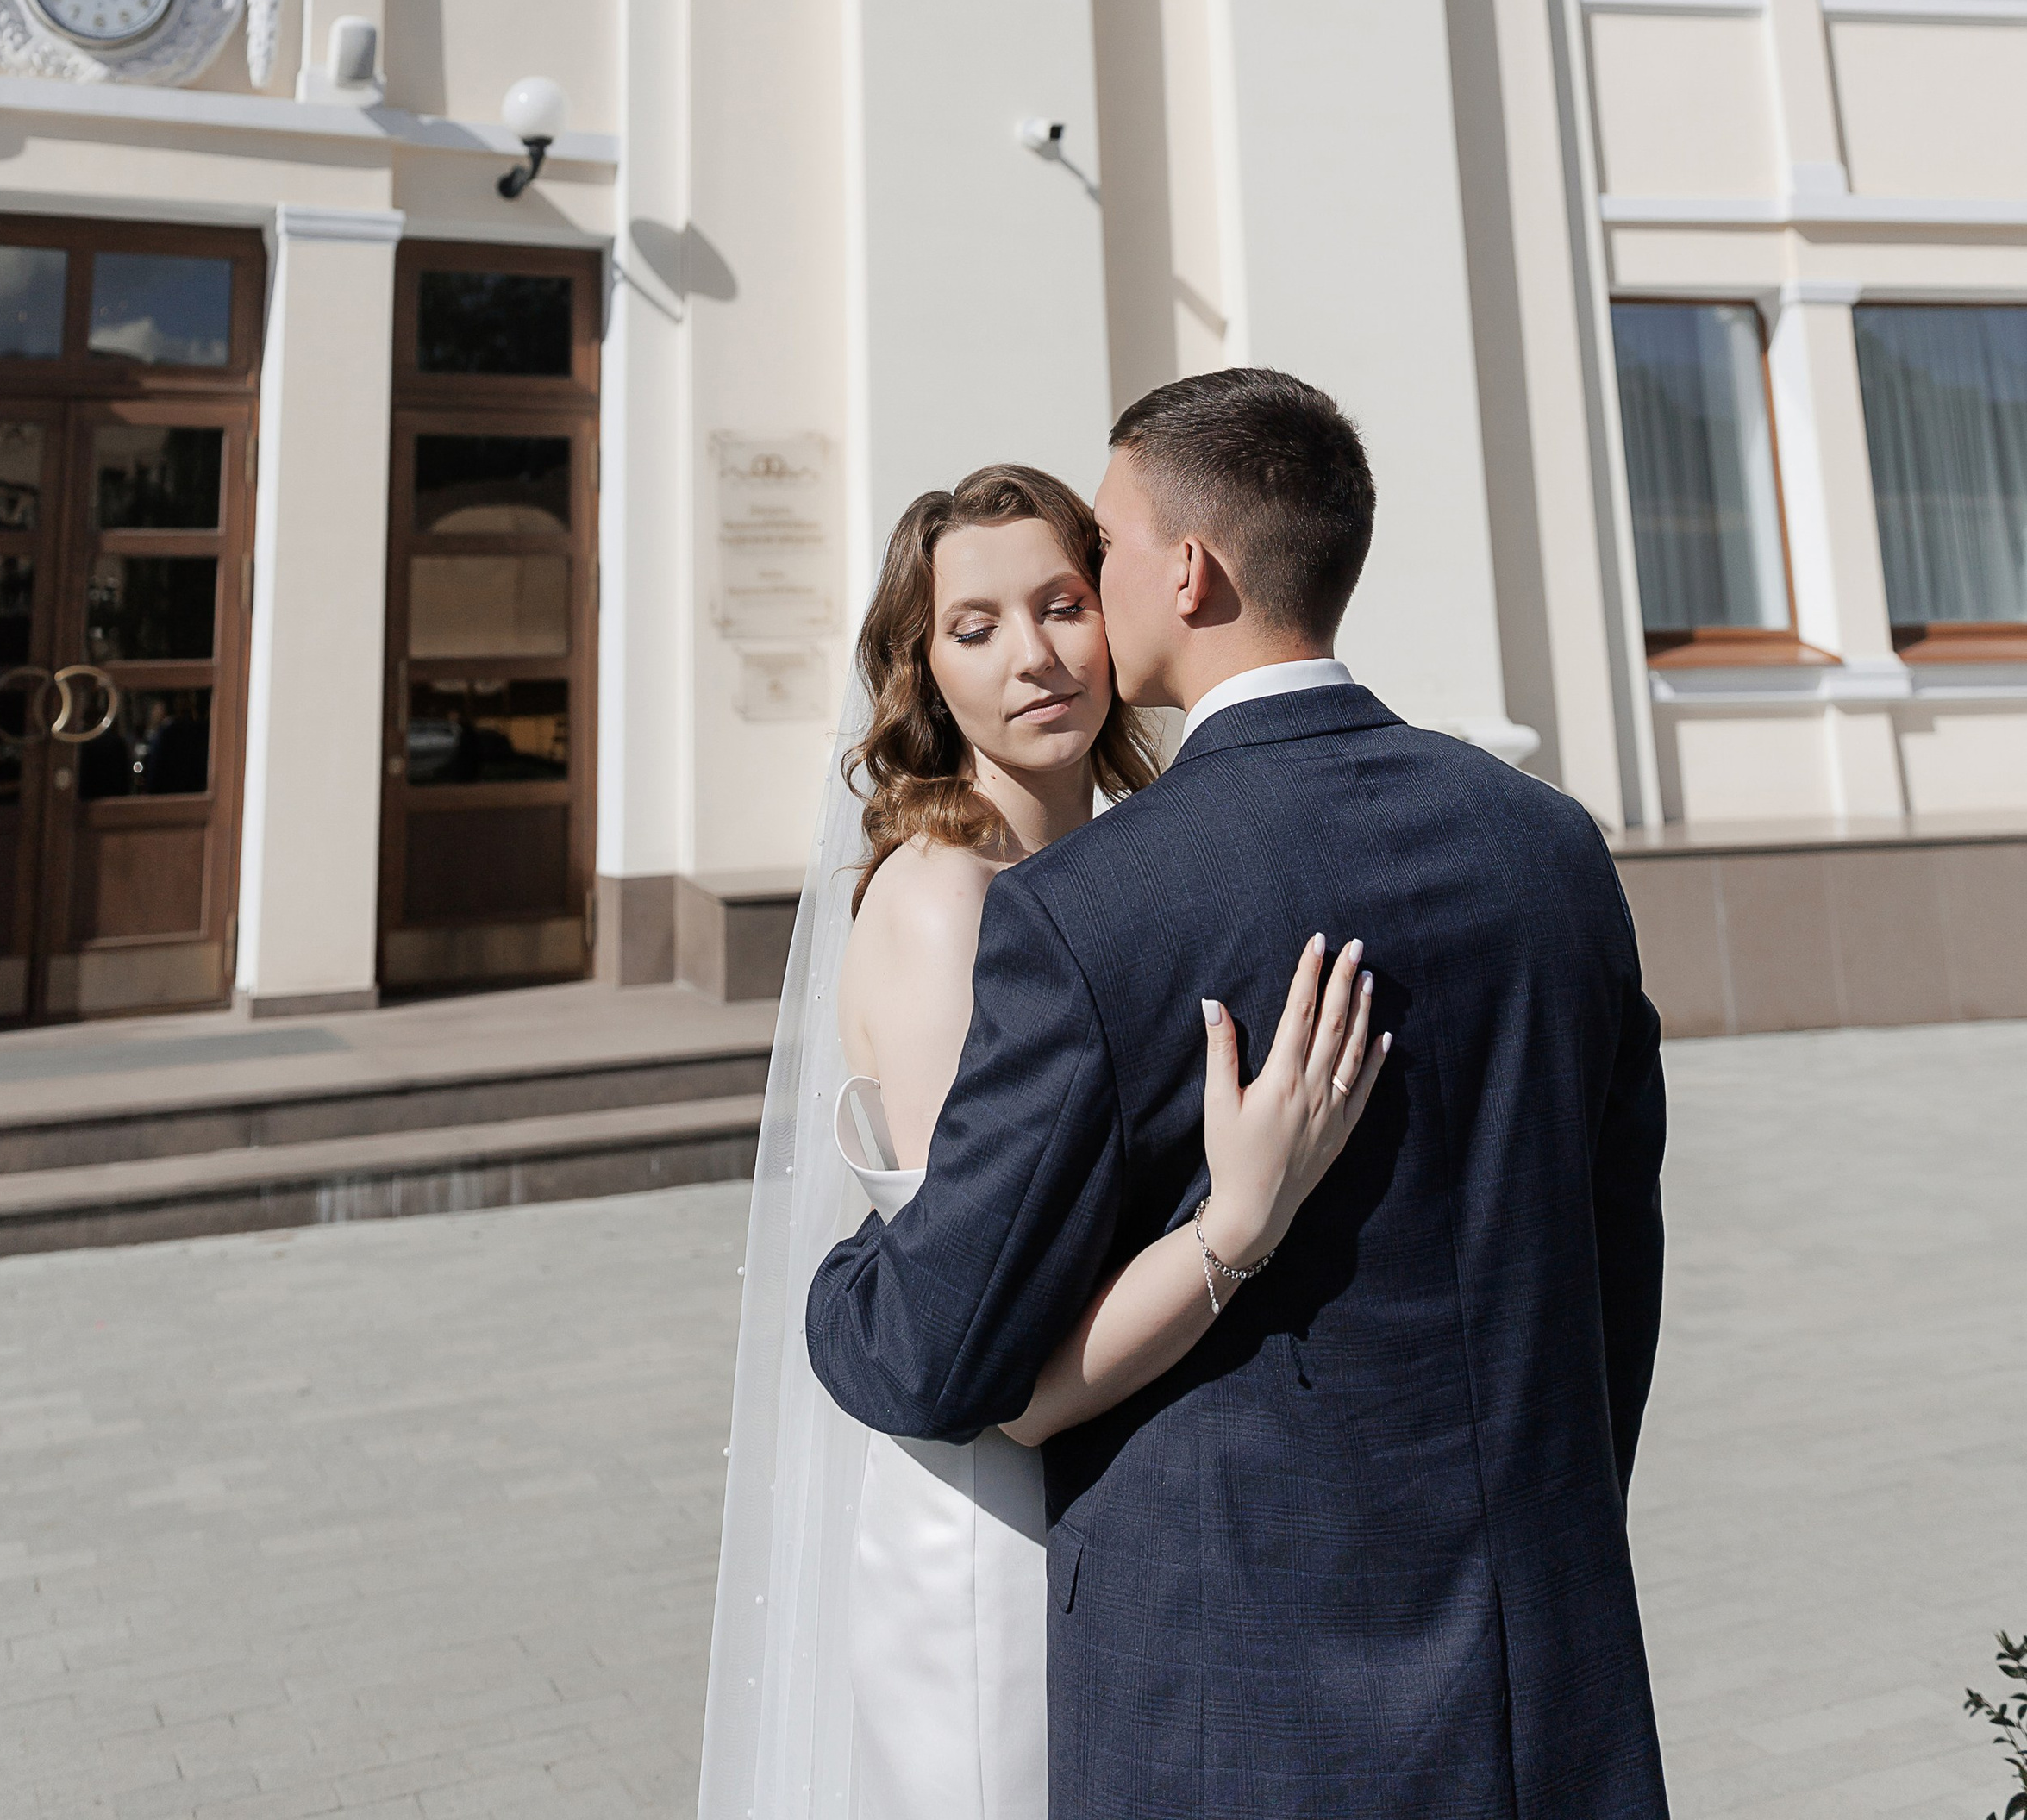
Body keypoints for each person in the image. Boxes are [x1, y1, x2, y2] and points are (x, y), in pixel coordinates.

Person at [806, 366, 1670, 1820]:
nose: (1066, 618)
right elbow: (1615, 1258)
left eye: (1102, 560)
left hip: (1238, 1708)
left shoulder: (1101, 910)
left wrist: (837, 1277)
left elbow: (941, 1355)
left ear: (1186, 572)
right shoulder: (1551, 846)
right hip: (1544, 1667)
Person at [697, 459, 1386, 1820]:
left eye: (1064, 603)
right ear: (923, 673)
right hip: (990, 1512)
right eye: (976, 627)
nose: (1036, 656)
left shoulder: (1120, 869)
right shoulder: (947, 902)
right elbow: (996, 1340)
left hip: (1114, 1485)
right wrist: (1235, 1226)